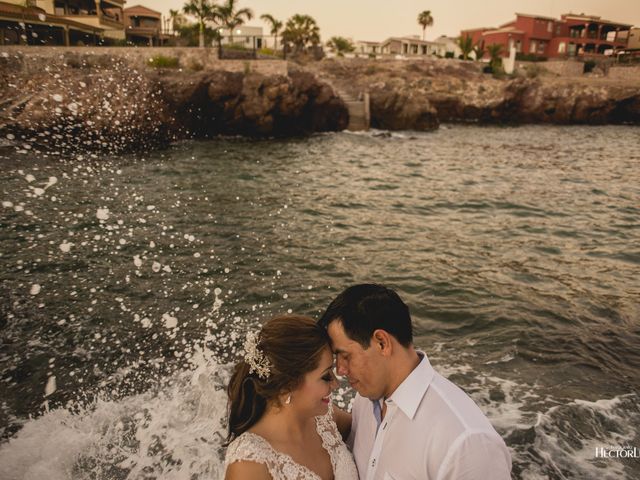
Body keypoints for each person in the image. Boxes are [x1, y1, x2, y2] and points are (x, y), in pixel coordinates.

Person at [319, 284, 512, 480]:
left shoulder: (466, 444)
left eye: (345, 355)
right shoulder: (365, 400)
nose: (340, 370)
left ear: (382, 343)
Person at [224, 314, 359, 480]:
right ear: (287, 385)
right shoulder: (249, 464)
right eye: (325, 376)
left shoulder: (328, 420)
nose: (336, 384)